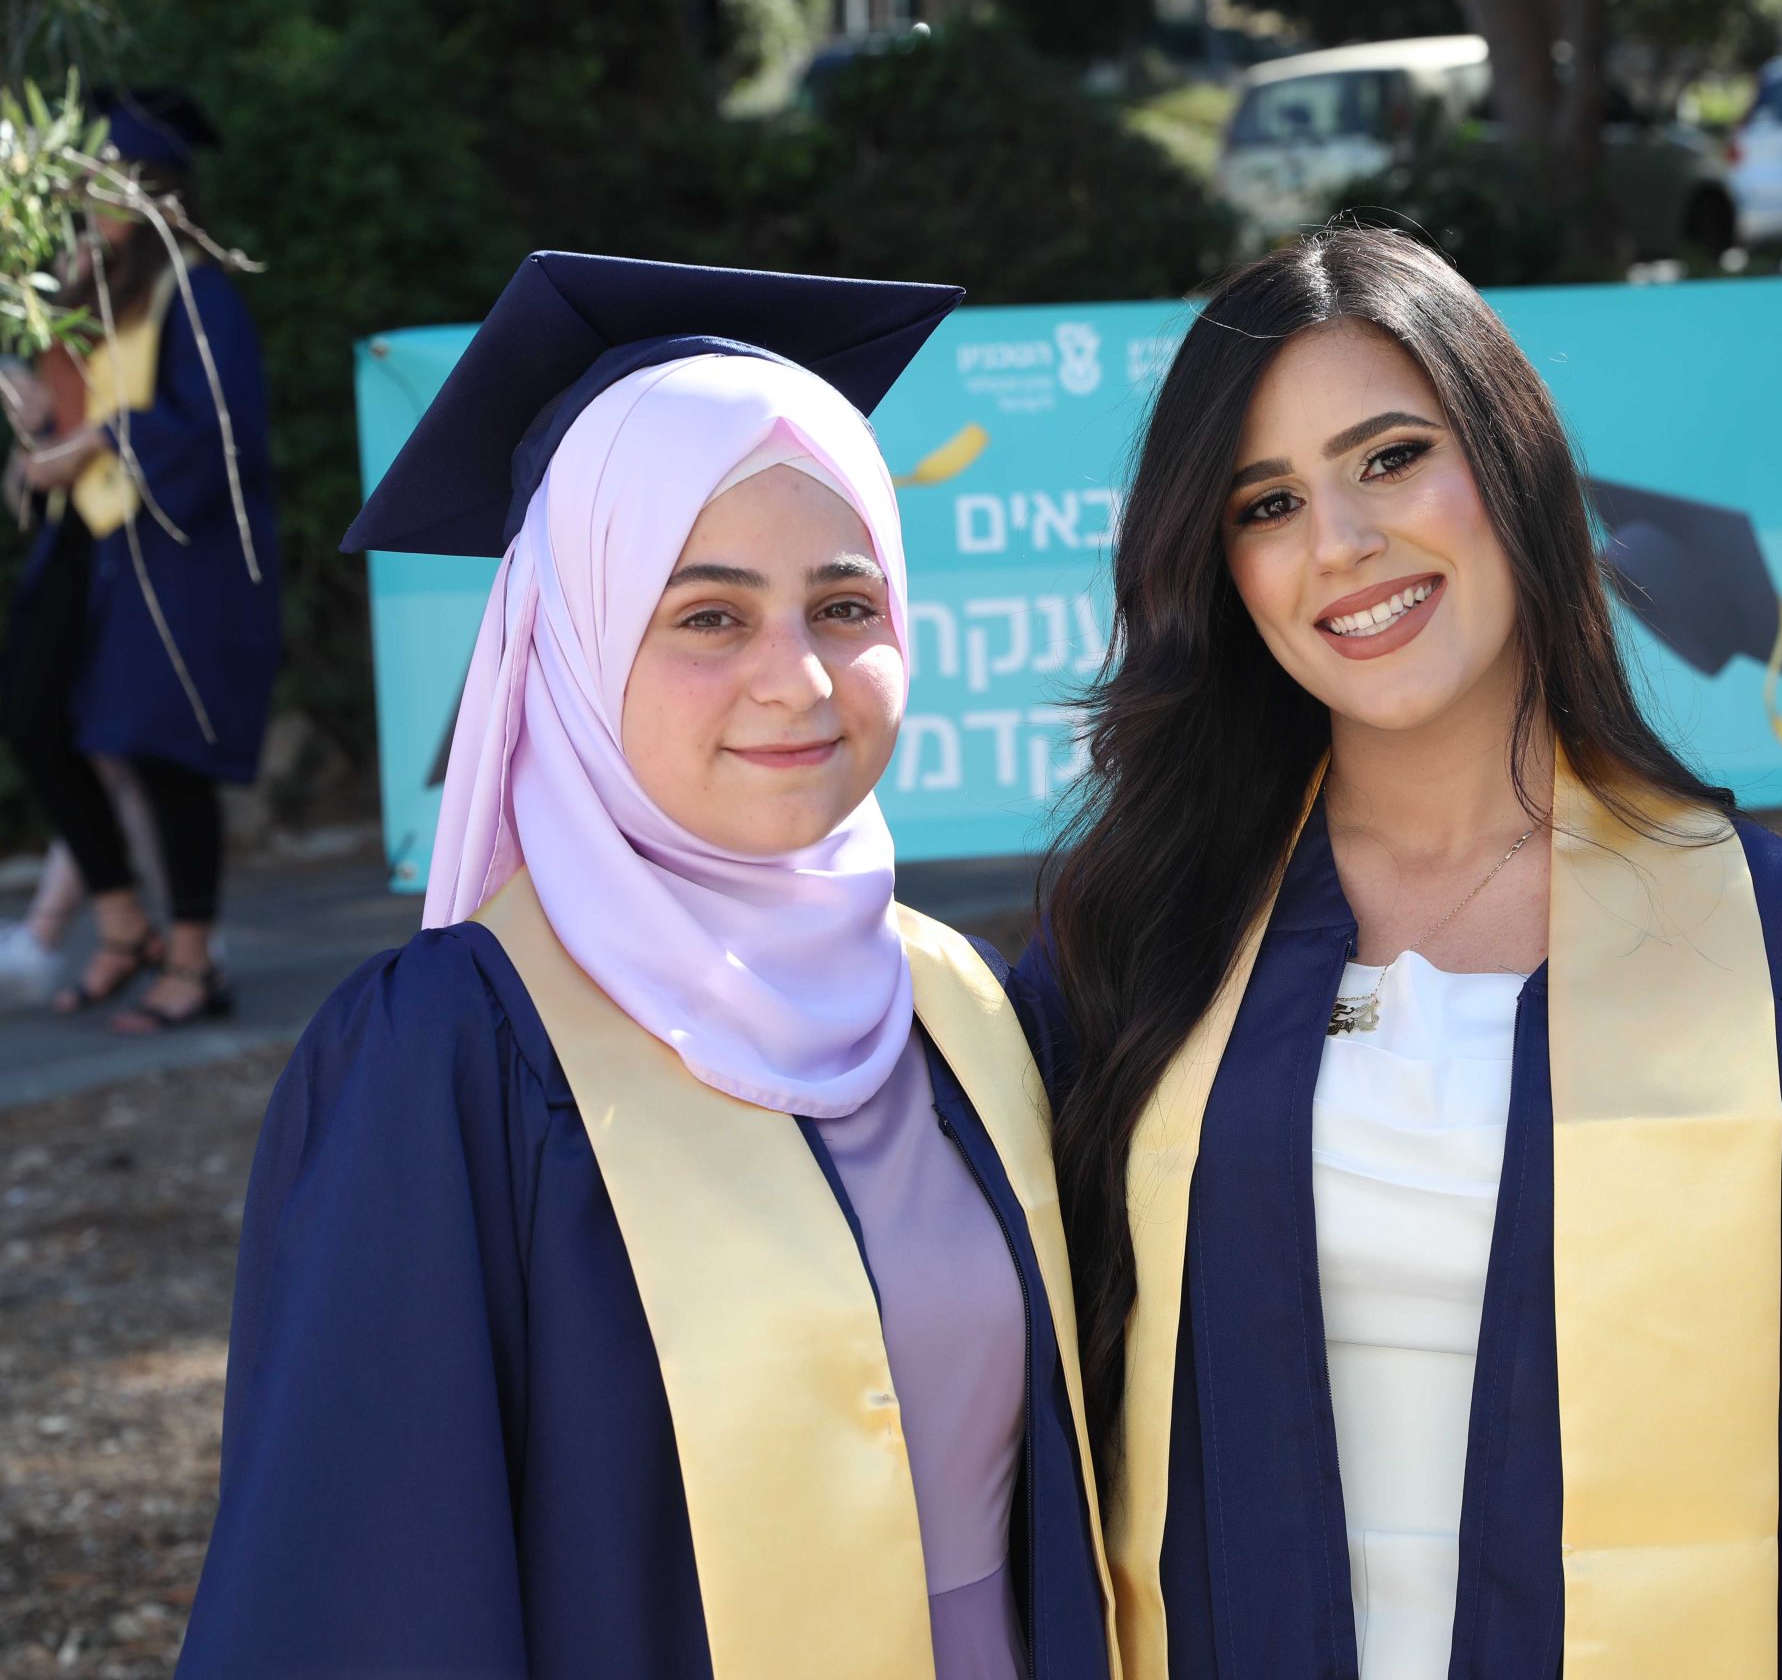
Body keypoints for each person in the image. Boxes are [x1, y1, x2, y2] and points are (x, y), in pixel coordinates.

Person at [1011, 228, 1782, 1678]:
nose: (1341, 541)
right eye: (1268, 503)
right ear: (1221, 568)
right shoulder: (1138, 946)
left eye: (1391, 458)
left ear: (1512, 466)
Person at [176, 253, 1112, 1679]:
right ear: (569, 642)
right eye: (709, 616)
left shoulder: (965, 1007)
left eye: (845, 605)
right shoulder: (450, 1060)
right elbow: (364, 1594)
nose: (798, 679)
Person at [0, 87, 277, 1033]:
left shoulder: (197, 294)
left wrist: (99, 439)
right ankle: (124, 924)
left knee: (165, 742)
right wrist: (33, 415)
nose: (89, 206)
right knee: (32, 714)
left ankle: (194, 962)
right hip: (89, 537)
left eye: (106, 188)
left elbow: (221, 432)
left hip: (174, 544)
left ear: (157, 195)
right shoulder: (93, 292)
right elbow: (54, 413)